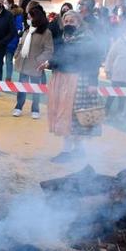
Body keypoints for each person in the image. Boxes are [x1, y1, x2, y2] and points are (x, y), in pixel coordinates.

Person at [41, 11, 104, 163]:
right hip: (61, 79)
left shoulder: (87, 39)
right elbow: (60, 57)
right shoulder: (63, 38)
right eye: (66, 20)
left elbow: (94, 62)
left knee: (71, 117)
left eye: (72, 21)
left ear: (79, 23)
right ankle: (77, 150)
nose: (69, 23)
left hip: (78, 80)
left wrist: (92, 83)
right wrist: (49, 63)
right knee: (64, 114)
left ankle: (68, 151)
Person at [12, 4, 53, 119]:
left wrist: (38, 60)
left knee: (36, 88)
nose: (28, 19)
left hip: (35, 66)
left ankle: (35, 108)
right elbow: (21, 43)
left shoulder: (46, 33)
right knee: (22, 86)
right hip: (23, 63)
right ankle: (19, 106)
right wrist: (17, 54)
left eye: (29, 17)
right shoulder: (27, 30)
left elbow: (49, 50)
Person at [4, 0, 24, 81]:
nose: (3, 5)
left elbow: (18, 28)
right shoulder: (3, 13)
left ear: (10, 4)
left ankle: (8, 77)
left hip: (11, 41)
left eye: (5, 3)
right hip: (2, 41)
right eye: (3, 3)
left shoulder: (17, 15)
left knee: (8, 60)